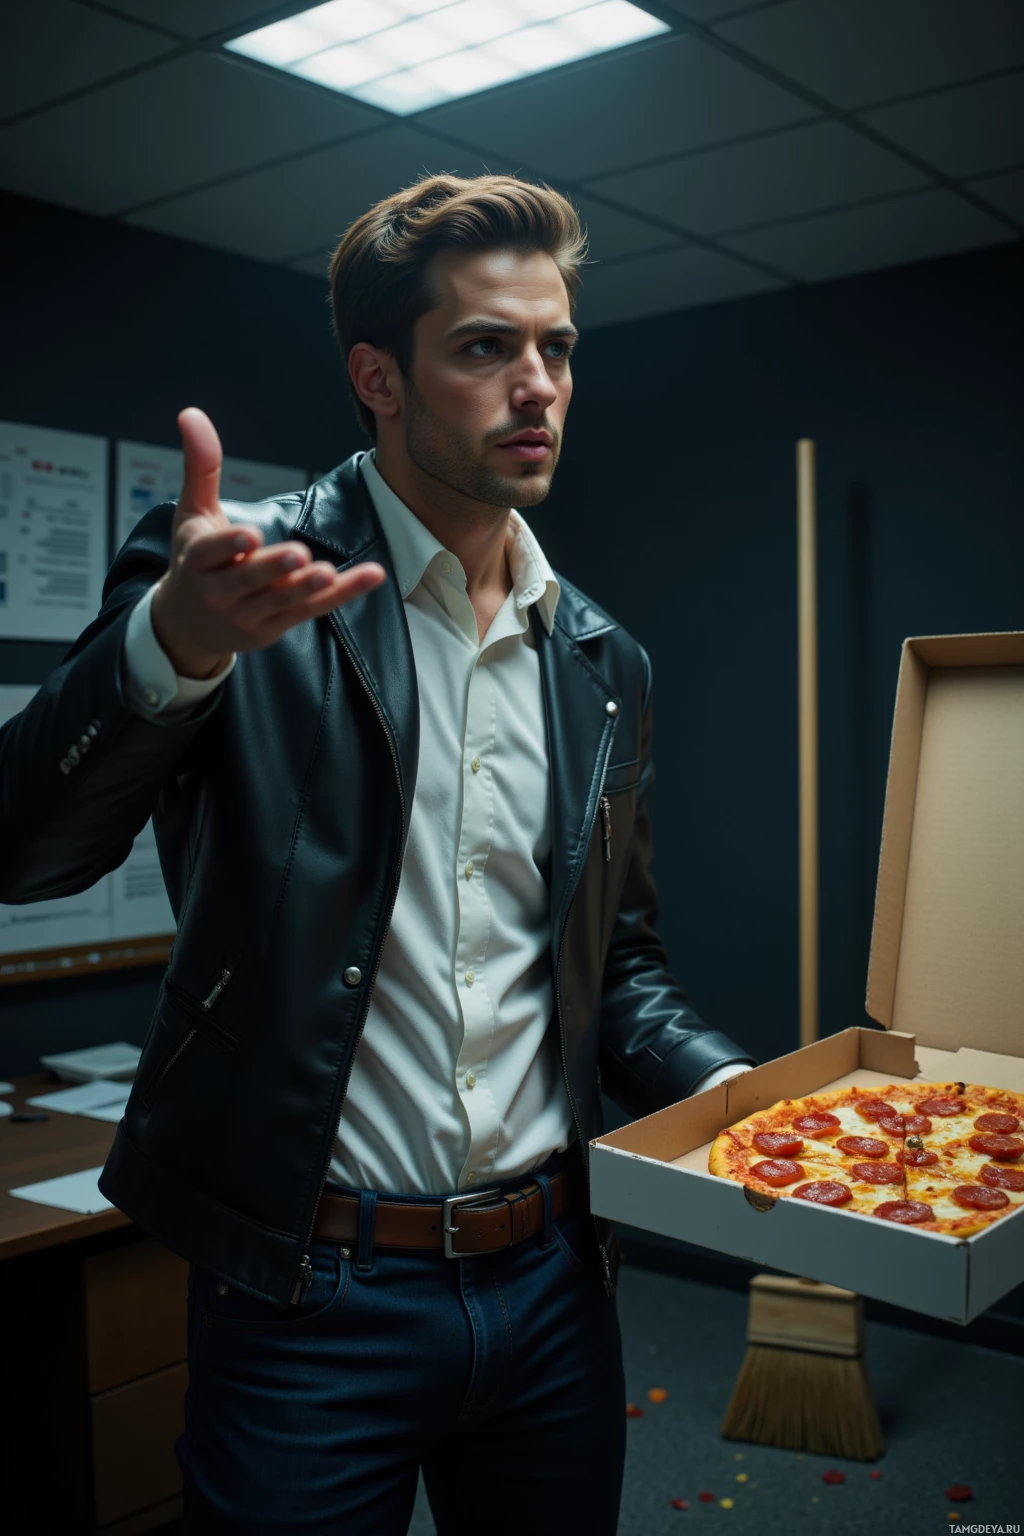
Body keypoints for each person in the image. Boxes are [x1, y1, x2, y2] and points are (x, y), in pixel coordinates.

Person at [0, 174, 756, 1534]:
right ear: (380, 375)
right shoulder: (240, 580)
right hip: (309, 1291)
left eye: (558, 348)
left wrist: (744, 1098)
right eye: (485, 347)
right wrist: (172, 646)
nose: (538, 386)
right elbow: (25, 851)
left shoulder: (600, 659)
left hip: (551, 1284)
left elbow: (618, 968)